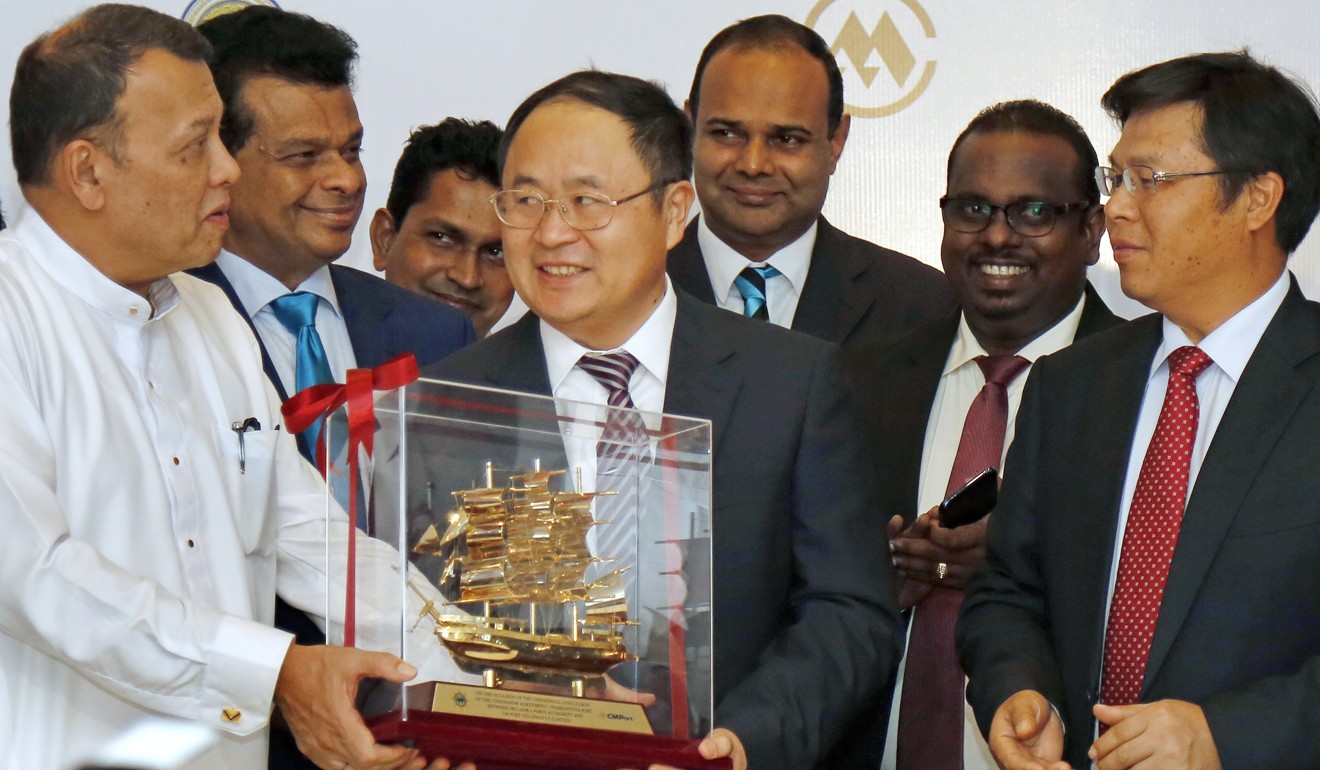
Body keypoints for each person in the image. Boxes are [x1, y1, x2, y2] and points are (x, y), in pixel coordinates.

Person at [0, 6, 456, 769]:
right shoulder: (13, 320)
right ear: (88, 171)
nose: (228, 169)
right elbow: (40, 579)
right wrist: (277, 672)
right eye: (194, 146)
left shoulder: (207, 315)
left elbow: (316, 543)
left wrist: (495, 680)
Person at [426, 70, 899, 770]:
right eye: (525, 200)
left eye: (586, 201)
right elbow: (408, 624)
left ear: (674, 210)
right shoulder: (446, 403)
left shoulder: (792, 384)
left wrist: (739, 745)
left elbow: (848, 614)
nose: (552, 232)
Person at [958, 51, 1320, 770]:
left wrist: (1225, 735)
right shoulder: (1070, 385)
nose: (1116, 206)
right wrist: (1018, 691)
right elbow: (1007, 592)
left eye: (1148, 180)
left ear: (1258, 198)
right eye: (1114, 179)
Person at [846, 100, 1120, 770]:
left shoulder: (1145, 389)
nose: (997, 237)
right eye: (972, 209)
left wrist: (1019, 563)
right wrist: (876, 575)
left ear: (1091, 230)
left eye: (1033, 212)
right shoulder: (855, 382)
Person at [190, 5, 472, 462]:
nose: (347, 180)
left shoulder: (438, 337)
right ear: (219, 161)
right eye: (304, 155)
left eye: (351, 150)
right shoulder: (164, 321)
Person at [667, 14, 954, 344]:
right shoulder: (623, 291)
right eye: (728, 133)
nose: (754, 164)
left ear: (836, 141)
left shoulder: (923, 308)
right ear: (689, 128)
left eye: (787, 139)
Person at [370, 118, 514, 338]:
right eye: (442, 238)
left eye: (496, 252)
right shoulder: (316, 357)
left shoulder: (538, 372)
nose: (467, 278)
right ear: (385, 238)